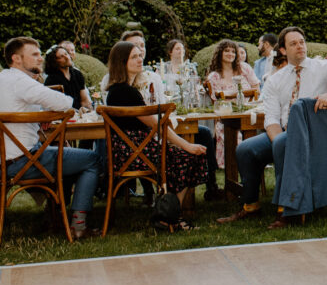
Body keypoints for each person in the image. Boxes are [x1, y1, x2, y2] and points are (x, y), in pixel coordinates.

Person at [217, 26, 327, 229]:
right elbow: (271, 119)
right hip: (285, 131)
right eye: (293, 44)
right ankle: (250, 205)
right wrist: (279, 140)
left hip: (316, 135)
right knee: (246, 149)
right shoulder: (275, 79)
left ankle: (287, 209)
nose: (300, 46)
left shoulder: (325, 67)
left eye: (301, 42)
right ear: (283, 50)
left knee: (283, 145)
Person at [1, 37, 102, 239]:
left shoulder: (4, 78)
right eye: (35, 55)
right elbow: (64, 102)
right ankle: (78, 225)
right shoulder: (22, 82)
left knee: (68, 155)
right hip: (26, 161)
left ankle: (53, 214)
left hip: (6, 160)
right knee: (91, 159)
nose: (40, 58)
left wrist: (39, 113)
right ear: (16, 59)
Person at [104, 41, 208, 228]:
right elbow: (158, 126)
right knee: (188, 157)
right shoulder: (126, 92)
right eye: (134, 57)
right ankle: (170, 216)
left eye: (139, 55)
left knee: (182, 156)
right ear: (122, 62)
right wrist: (187, 145)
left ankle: (168, 214)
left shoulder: (117, 90)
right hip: (135, 154)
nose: (140, 59)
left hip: (128, 152)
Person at [44, 44, 92, 111]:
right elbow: (54, 106)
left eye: (66, 54)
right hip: (64, 116)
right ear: (55, 62)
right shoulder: (51, 80)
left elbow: (84, 100)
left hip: (81, 115)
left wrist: (90, 113)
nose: (67, 57)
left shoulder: (77, 74)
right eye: (61, 57)